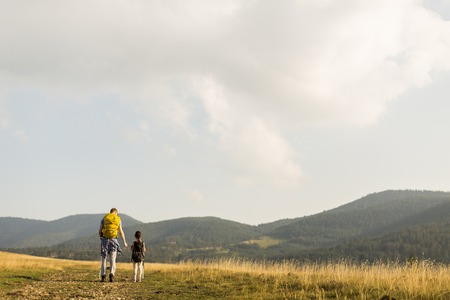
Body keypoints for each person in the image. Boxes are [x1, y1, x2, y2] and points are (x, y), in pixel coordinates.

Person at [98, 208, 128, 282]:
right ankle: (111, 273)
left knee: (104, 258)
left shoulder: (105, 218)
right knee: (112, 258)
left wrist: (101, 238)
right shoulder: (118, 219)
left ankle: (103, 276)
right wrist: (124, 242)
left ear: (110, 212)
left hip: (105, 239)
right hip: (113, 240)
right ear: (116, 213)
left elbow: (99, 230)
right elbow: (121, 232)